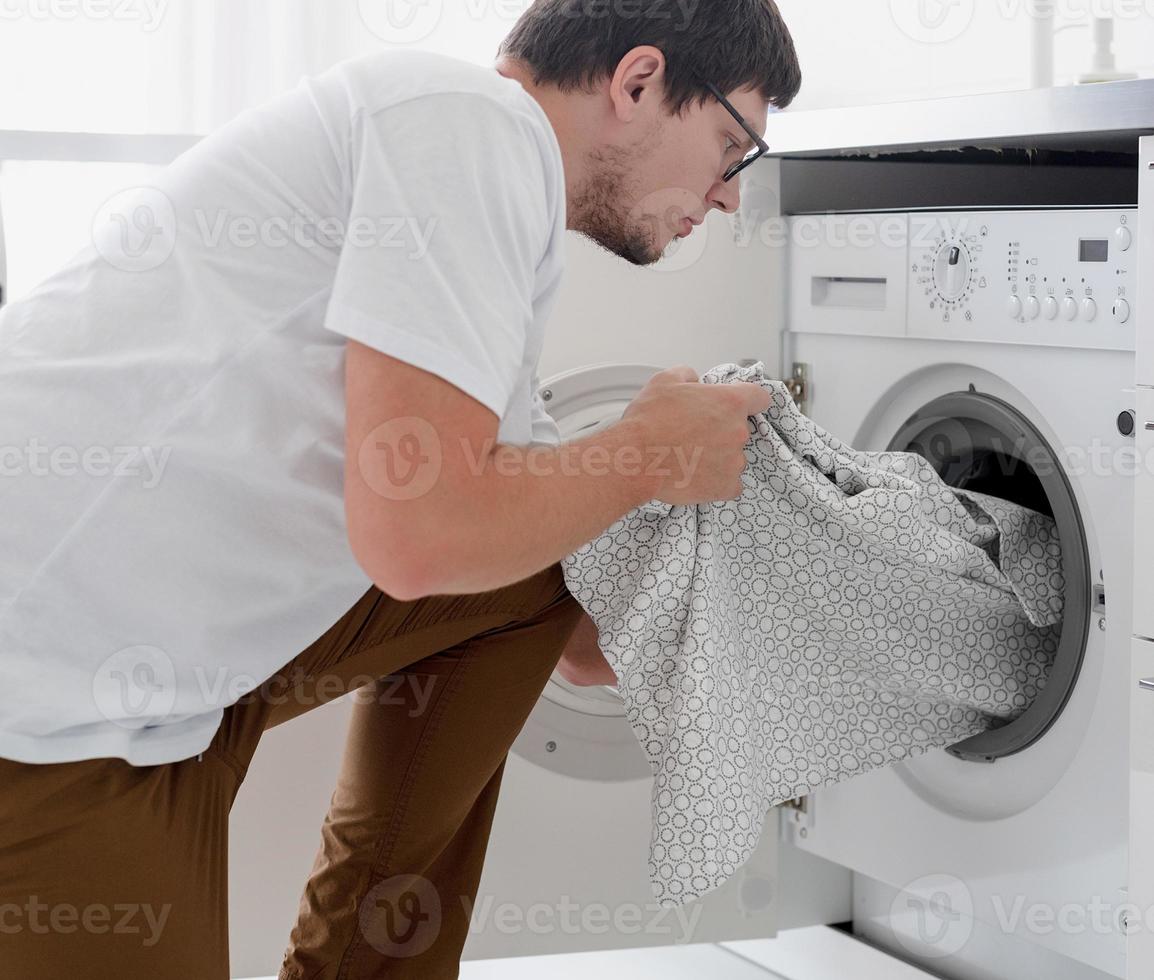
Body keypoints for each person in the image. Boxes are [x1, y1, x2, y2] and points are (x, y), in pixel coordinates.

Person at [0, 1, 801, 976]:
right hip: (44, 696)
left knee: (545, 565)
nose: (726, 198)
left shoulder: (491, 199)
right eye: (732, 144)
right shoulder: (464, 124)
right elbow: (421, 537)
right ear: (636, 82)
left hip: (162, 664)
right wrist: (644, 451)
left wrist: (720, 609)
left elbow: (555, 598)